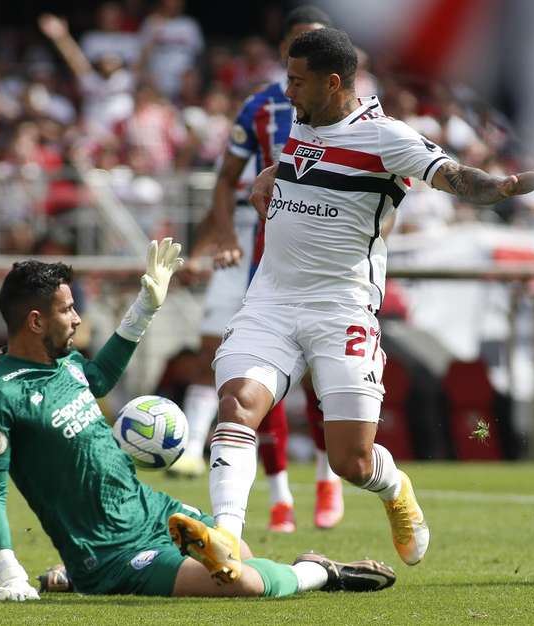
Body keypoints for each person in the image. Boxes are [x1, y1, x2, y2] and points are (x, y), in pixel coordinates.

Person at [187, 28, 534, 583]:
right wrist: (269, 174)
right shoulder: (303, 121)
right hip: (272, 298)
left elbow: (454, 176)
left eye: (296, 80)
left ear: (334, 82)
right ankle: (228, 541)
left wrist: (500, 188)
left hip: (342, 308)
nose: (287, 90)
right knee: (238, 405)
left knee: (350, 461)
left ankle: (395, 487)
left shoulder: (386, 138)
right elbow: (302, 166)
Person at [0, 238, 396, 600]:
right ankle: (321, 572)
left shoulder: (66, 363)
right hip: (112, 555)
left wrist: (144, 307)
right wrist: (9, 573)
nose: (78, 318)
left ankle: (70, 574)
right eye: (67, 310)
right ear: (34, 321)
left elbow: (97, 377)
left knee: (244, 558)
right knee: (240, 582)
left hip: (155, 511)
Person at [172, 6, 346, 534]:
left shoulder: (356, 110)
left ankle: (327, 479)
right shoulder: (263, 108)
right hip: (270, 260)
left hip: (332, 261)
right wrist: (221, 234)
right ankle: (279, 496)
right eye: (298, 45)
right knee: (255, 377)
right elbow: (226, 179)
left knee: (321, 381)